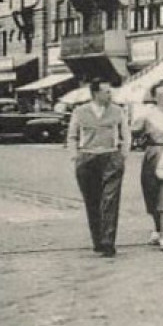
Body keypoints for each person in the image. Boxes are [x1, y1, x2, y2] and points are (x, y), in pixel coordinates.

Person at [67, 78, 130, 258]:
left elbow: (125, 134)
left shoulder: (118, 111)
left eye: (110, 91)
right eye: (106, 92)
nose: (110, 95)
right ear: (95, 94)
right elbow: (72, 136)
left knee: (110, 199)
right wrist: (75, 155)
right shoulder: (80, 112)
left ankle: (108, 242)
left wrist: (122, 155)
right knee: (92, 201)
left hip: (111, 157)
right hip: (87, 157)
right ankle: (98, 240)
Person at [132, 83, 163, 252]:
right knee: (151, 192)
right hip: (151, 154)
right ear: (154, 97)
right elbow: (134, 132)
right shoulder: (146, 114)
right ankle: (157, 227)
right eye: (161, 94)